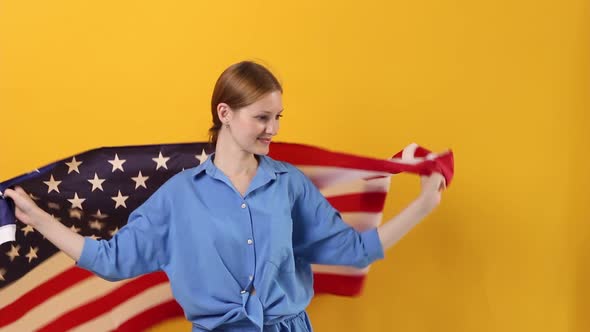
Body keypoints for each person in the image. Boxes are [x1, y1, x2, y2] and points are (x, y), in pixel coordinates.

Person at [3, 61, 446, 332]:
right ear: (225, 114)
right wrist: (39, 219)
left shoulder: (289, 184)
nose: (274, 129)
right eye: (262, 117)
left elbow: (352, 250)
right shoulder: (178, 197)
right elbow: (112, 259)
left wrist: (422, 206)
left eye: (278, 117)